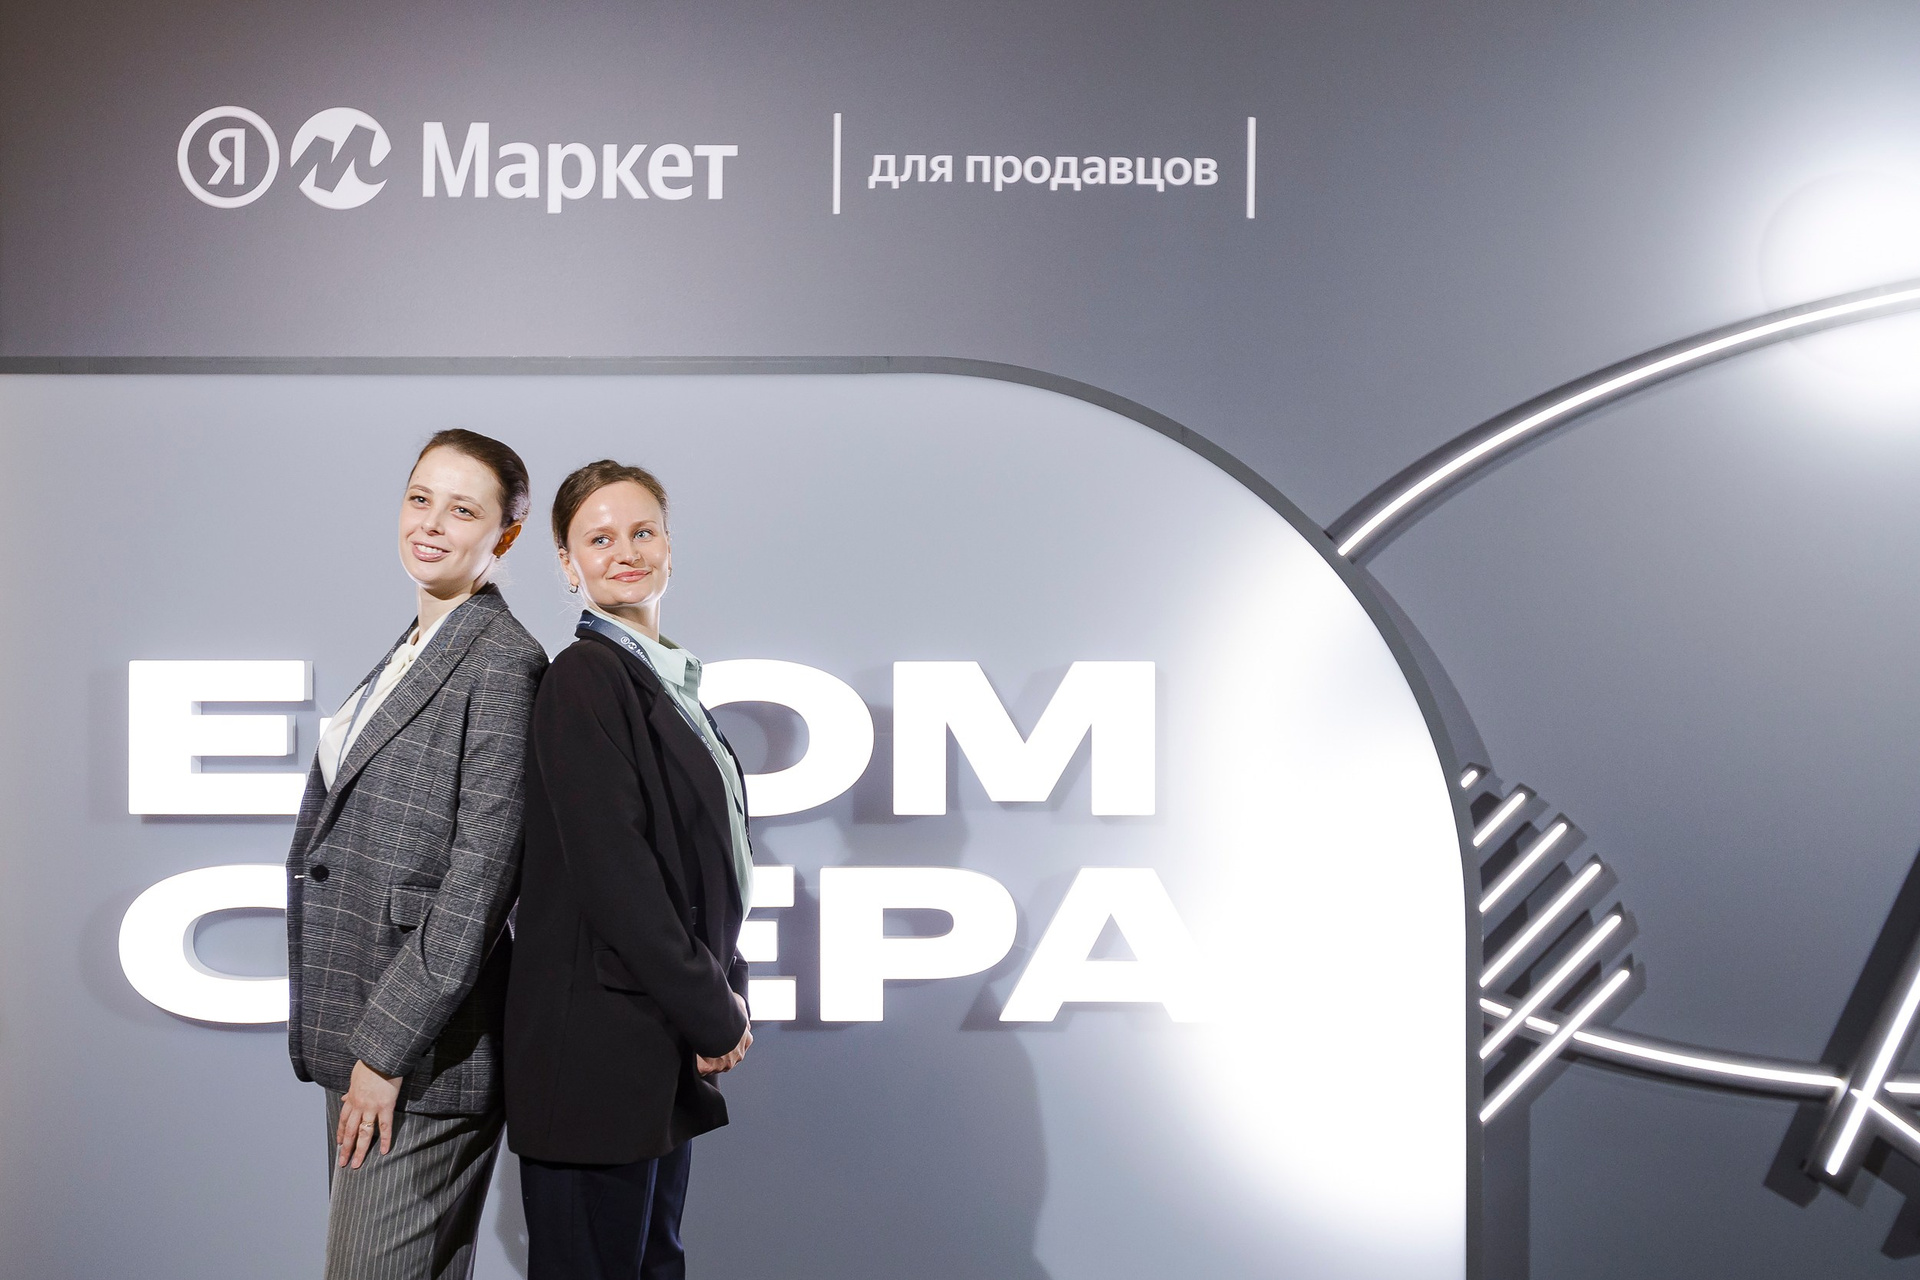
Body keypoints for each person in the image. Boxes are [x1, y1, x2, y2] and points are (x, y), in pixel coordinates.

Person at [284, 429, 548, 1280]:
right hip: (364, 1027)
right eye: (419, 498)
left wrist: (384, 1052)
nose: (430, 523)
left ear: (506, 534)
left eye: (462, 510)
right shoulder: (413, 647)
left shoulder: (503, 662)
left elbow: (480, 880)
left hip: (422, 1054)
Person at [505, 459, 755, 1280]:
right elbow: (619, 876)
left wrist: (723, 992)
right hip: (593, 1060)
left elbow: (707, 870)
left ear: (669, 547)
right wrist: (714, 1011)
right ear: (568, 565)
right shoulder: (585, 677)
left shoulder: (668, 684)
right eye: (600, 538)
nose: (626, 552)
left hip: (650, 1050)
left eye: (643, 532)